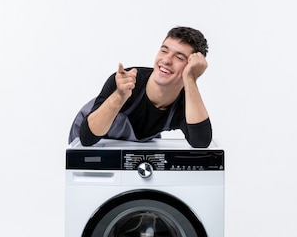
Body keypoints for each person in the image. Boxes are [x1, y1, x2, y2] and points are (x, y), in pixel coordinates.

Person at [68, 26, 212, 148]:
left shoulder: (185, 104)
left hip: (132, 149)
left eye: (179, 57)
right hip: (89, 138)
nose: (166, 60)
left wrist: (191, 79)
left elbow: (201, 142)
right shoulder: (126, 81)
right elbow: (87, 138)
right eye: (164, 50)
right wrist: (120, 96)